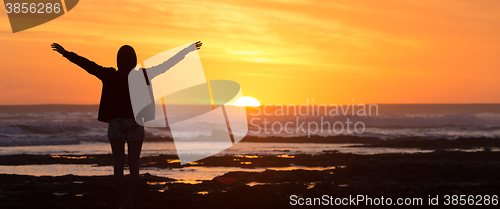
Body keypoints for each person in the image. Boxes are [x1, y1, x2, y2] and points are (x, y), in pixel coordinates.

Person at [51, 41, 202, 209]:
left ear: (118, 60)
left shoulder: (109, 74)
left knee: (118, 164)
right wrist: (186, 51)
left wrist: (66, 53)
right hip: (135, 123)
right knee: (134, 164)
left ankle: (121, 203)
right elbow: (166, 65)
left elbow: (87, 64)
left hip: (116, 123)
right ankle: (130, 203)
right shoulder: (142, 75)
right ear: (134, 60)